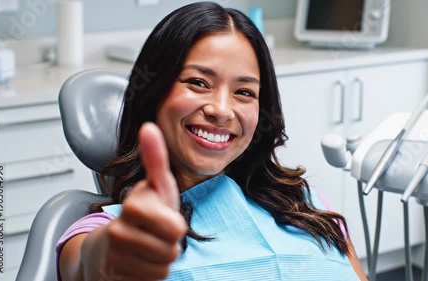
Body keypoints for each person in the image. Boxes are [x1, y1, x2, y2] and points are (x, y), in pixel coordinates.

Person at [56, 2, 367, 281]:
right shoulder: (104, 229)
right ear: (154, 94)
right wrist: (109, 256)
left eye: (244, 92)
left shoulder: (307, 206)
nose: (221, 110)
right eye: (198, 82)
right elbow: (87, 266)